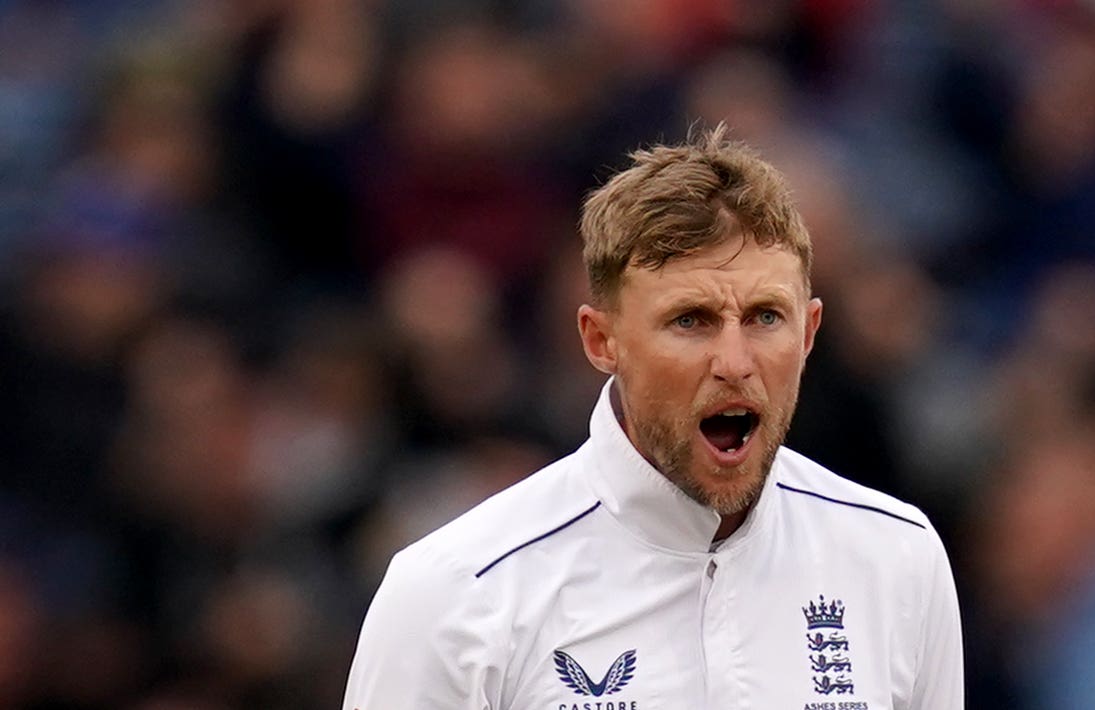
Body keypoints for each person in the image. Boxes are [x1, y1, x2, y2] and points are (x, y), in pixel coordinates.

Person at [344, 125, 965, 709]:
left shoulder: (897, 558)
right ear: (601, 340)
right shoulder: (458, 594)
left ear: (809, 332)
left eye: (765, 317)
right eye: (690, 320)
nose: (734, 363)